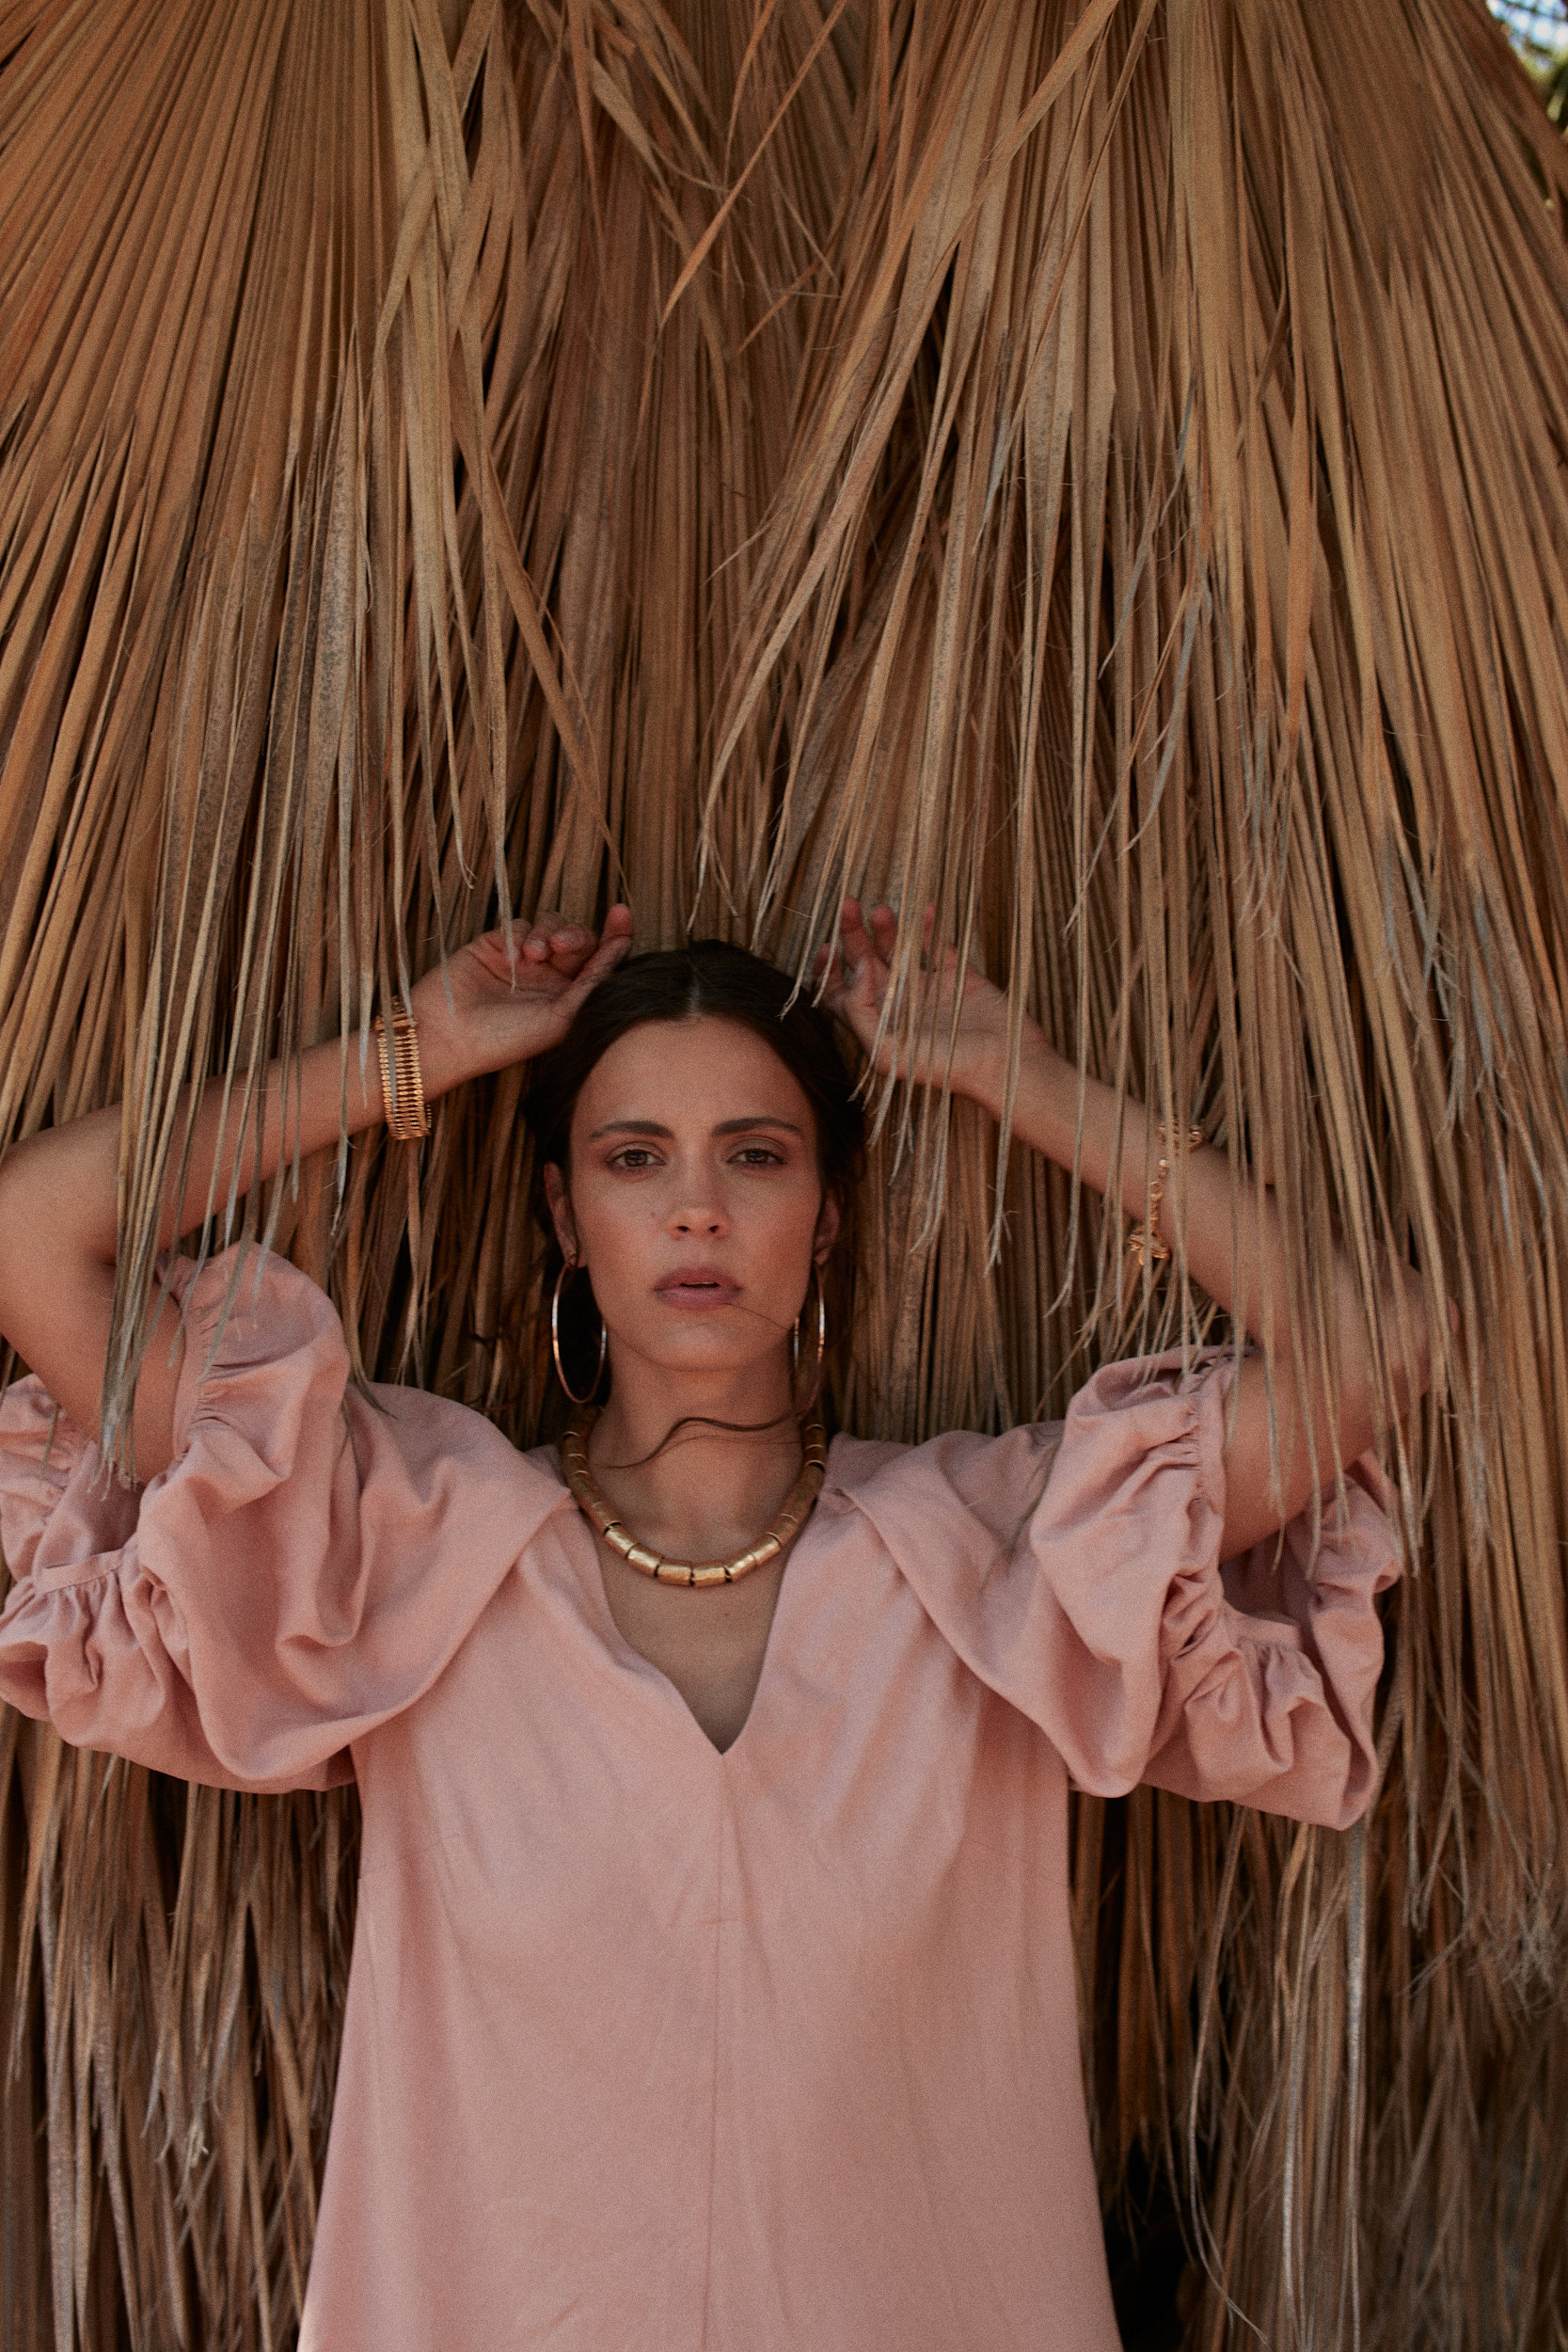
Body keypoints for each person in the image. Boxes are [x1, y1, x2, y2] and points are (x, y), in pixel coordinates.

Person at [0, 900, 1424, 2351]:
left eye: (756, 1155)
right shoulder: (401, 1545)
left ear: (829, 1212)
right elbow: (32, 1234)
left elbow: (1372, 1344)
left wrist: (1028, 1083)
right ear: (566, 1215)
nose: (698, 1210)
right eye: (635, 1159)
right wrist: (402, 1056)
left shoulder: (995, 1564)